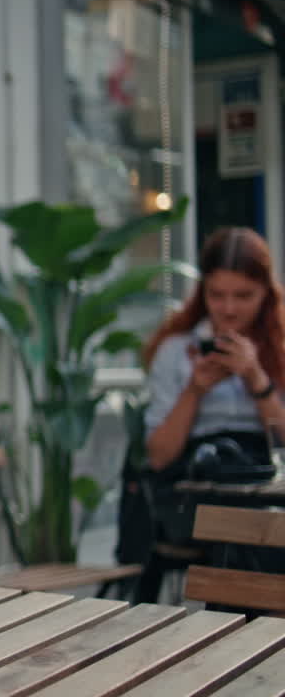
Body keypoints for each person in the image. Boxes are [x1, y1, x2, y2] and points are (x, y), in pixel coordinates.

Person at [135, 226, 285, 603]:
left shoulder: (279, 349)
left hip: (263, 481)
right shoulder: (176, 351)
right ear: (202, 293)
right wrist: (195, 390)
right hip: (193, 486)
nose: (229, 308)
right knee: (244, 527)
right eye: (217, 295)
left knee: (254, 526)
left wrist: (256, 379)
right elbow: (159, 456)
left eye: (243, 296)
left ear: (267, 293)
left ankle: (239, 639)